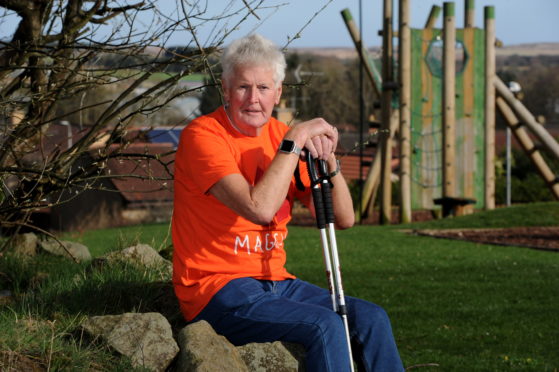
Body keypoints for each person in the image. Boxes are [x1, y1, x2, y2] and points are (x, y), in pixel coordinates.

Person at [172, 33, 404, 372]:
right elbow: (259, 208)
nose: (254, 99)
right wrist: (293, 141)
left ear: (278, 92)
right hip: (216, 288)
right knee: (325, 324)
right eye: (243, 87)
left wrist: (330, 164)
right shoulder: (203, 136)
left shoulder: (281, 138)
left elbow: (344, 218)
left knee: (371, 317)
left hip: (277, 281)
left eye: (264, 88)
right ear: (225, 89)